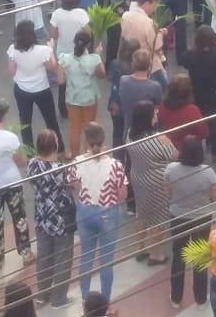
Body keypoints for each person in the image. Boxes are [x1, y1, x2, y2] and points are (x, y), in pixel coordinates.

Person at [68, 122, 128, 300]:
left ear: (86, 141)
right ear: (104, 140)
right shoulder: (115, 165)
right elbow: (123, 194)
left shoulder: (77, 162)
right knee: (106, 261)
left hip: (85, 212)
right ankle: (105, 302)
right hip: (107, 213)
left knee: (86, 258)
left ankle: (86, 300)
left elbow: (74, 186)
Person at [0, 98, 35, 269]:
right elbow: (21, 162)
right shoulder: (10, 137)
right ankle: (25, 253)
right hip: (12, 183)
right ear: (4, 115)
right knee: (19, 217)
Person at [166, 135, 216, 307]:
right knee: (200, 257)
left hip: (178, 216)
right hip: (201, 218)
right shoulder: (208, 173)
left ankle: (176, 297)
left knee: (179, 256)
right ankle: (201, 298)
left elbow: (168, 194)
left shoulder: (171, 169)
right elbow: (214, 197)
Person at [27, 129, 75, 308]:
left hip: (42, 217)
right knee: (63, 258)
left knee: (44, 257)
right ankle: (59, 298)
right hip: (61, 220)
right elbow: (74, 185)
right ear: (55, 146)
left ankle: (41, 295)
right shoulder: (62, 169)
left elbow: (33, 183)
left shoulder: (32, 164)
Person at [128, 100, 177, 265]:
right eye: (154, 113)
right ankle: (156, 255)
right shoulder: (159, 139)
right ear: (148, 117)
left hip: (138, 177)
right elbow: (174, 155)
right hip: (157, 181)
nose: (157, 114)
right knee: (158, 217)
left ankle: (140, 249)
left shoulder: (130, 134)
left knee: (141, 213)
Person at [7, 20, 64, 151]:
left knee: (25, 123)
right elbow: (51, 66)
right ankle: (59, 148)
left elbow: (11, 71)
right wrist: (51, 49)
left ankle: (29, 153)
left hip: (21, 90)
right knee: (51, 120)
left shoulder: (13, 49)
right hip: (42, 89)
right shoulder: (43, 50)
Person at [58, 30, 106, 156]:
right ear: (88, 44)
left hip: (72, 99)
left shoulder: (64, 58)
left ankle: (75, 157)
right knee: (90, 128)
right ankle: (89, 155)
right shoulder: (94, 59)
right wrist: (99, 55)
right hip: (89, 99)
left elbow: (60, 80)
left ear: (74, 42)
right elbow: (102, 75)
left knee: (74, 128)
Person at [184, 25, 216, 160]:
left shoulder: (191, 55)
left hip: (196, 92)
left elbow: (185, 63)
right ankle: (215, 151)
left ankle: (196, 148)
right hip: (214, 92)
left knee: (197, 119)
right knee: (214, 121)